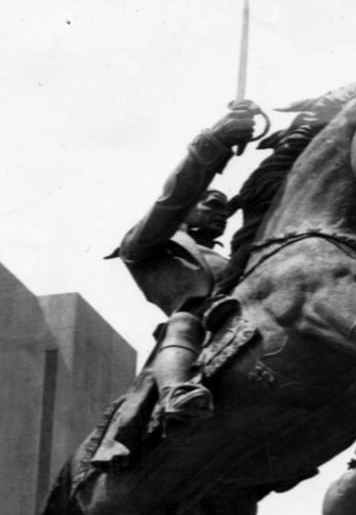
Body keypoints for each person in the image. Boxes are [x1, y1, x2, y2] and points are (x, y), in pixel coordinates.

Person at [111, 100, 259, 420]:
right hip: (197, 328)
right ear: (189, 208)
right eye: (213, 204)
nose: (222, 214)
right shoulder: (143, 245)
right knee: (182, 323)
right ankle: (175, 394)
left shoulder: (229, 257)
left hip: (244, 312)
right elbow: (171, 202)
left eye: (227, 210)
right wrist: (214, 144)